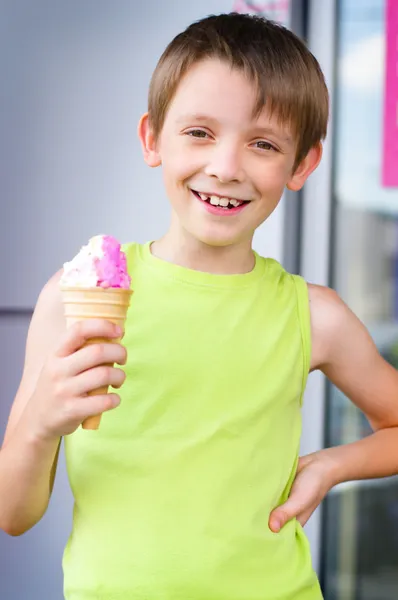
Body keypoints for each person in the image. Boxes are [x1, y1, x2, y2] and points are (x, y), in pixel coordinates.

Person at [1, 12, 398, 600]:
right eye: (199, 133)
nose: (226, 167)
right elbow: (14, 515)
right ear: (152, 138)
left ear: (303, 165)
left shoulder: (316, 315)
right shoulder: (75, 296)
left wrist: (331, 467)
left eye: (263, 144)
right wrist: (38, 426)